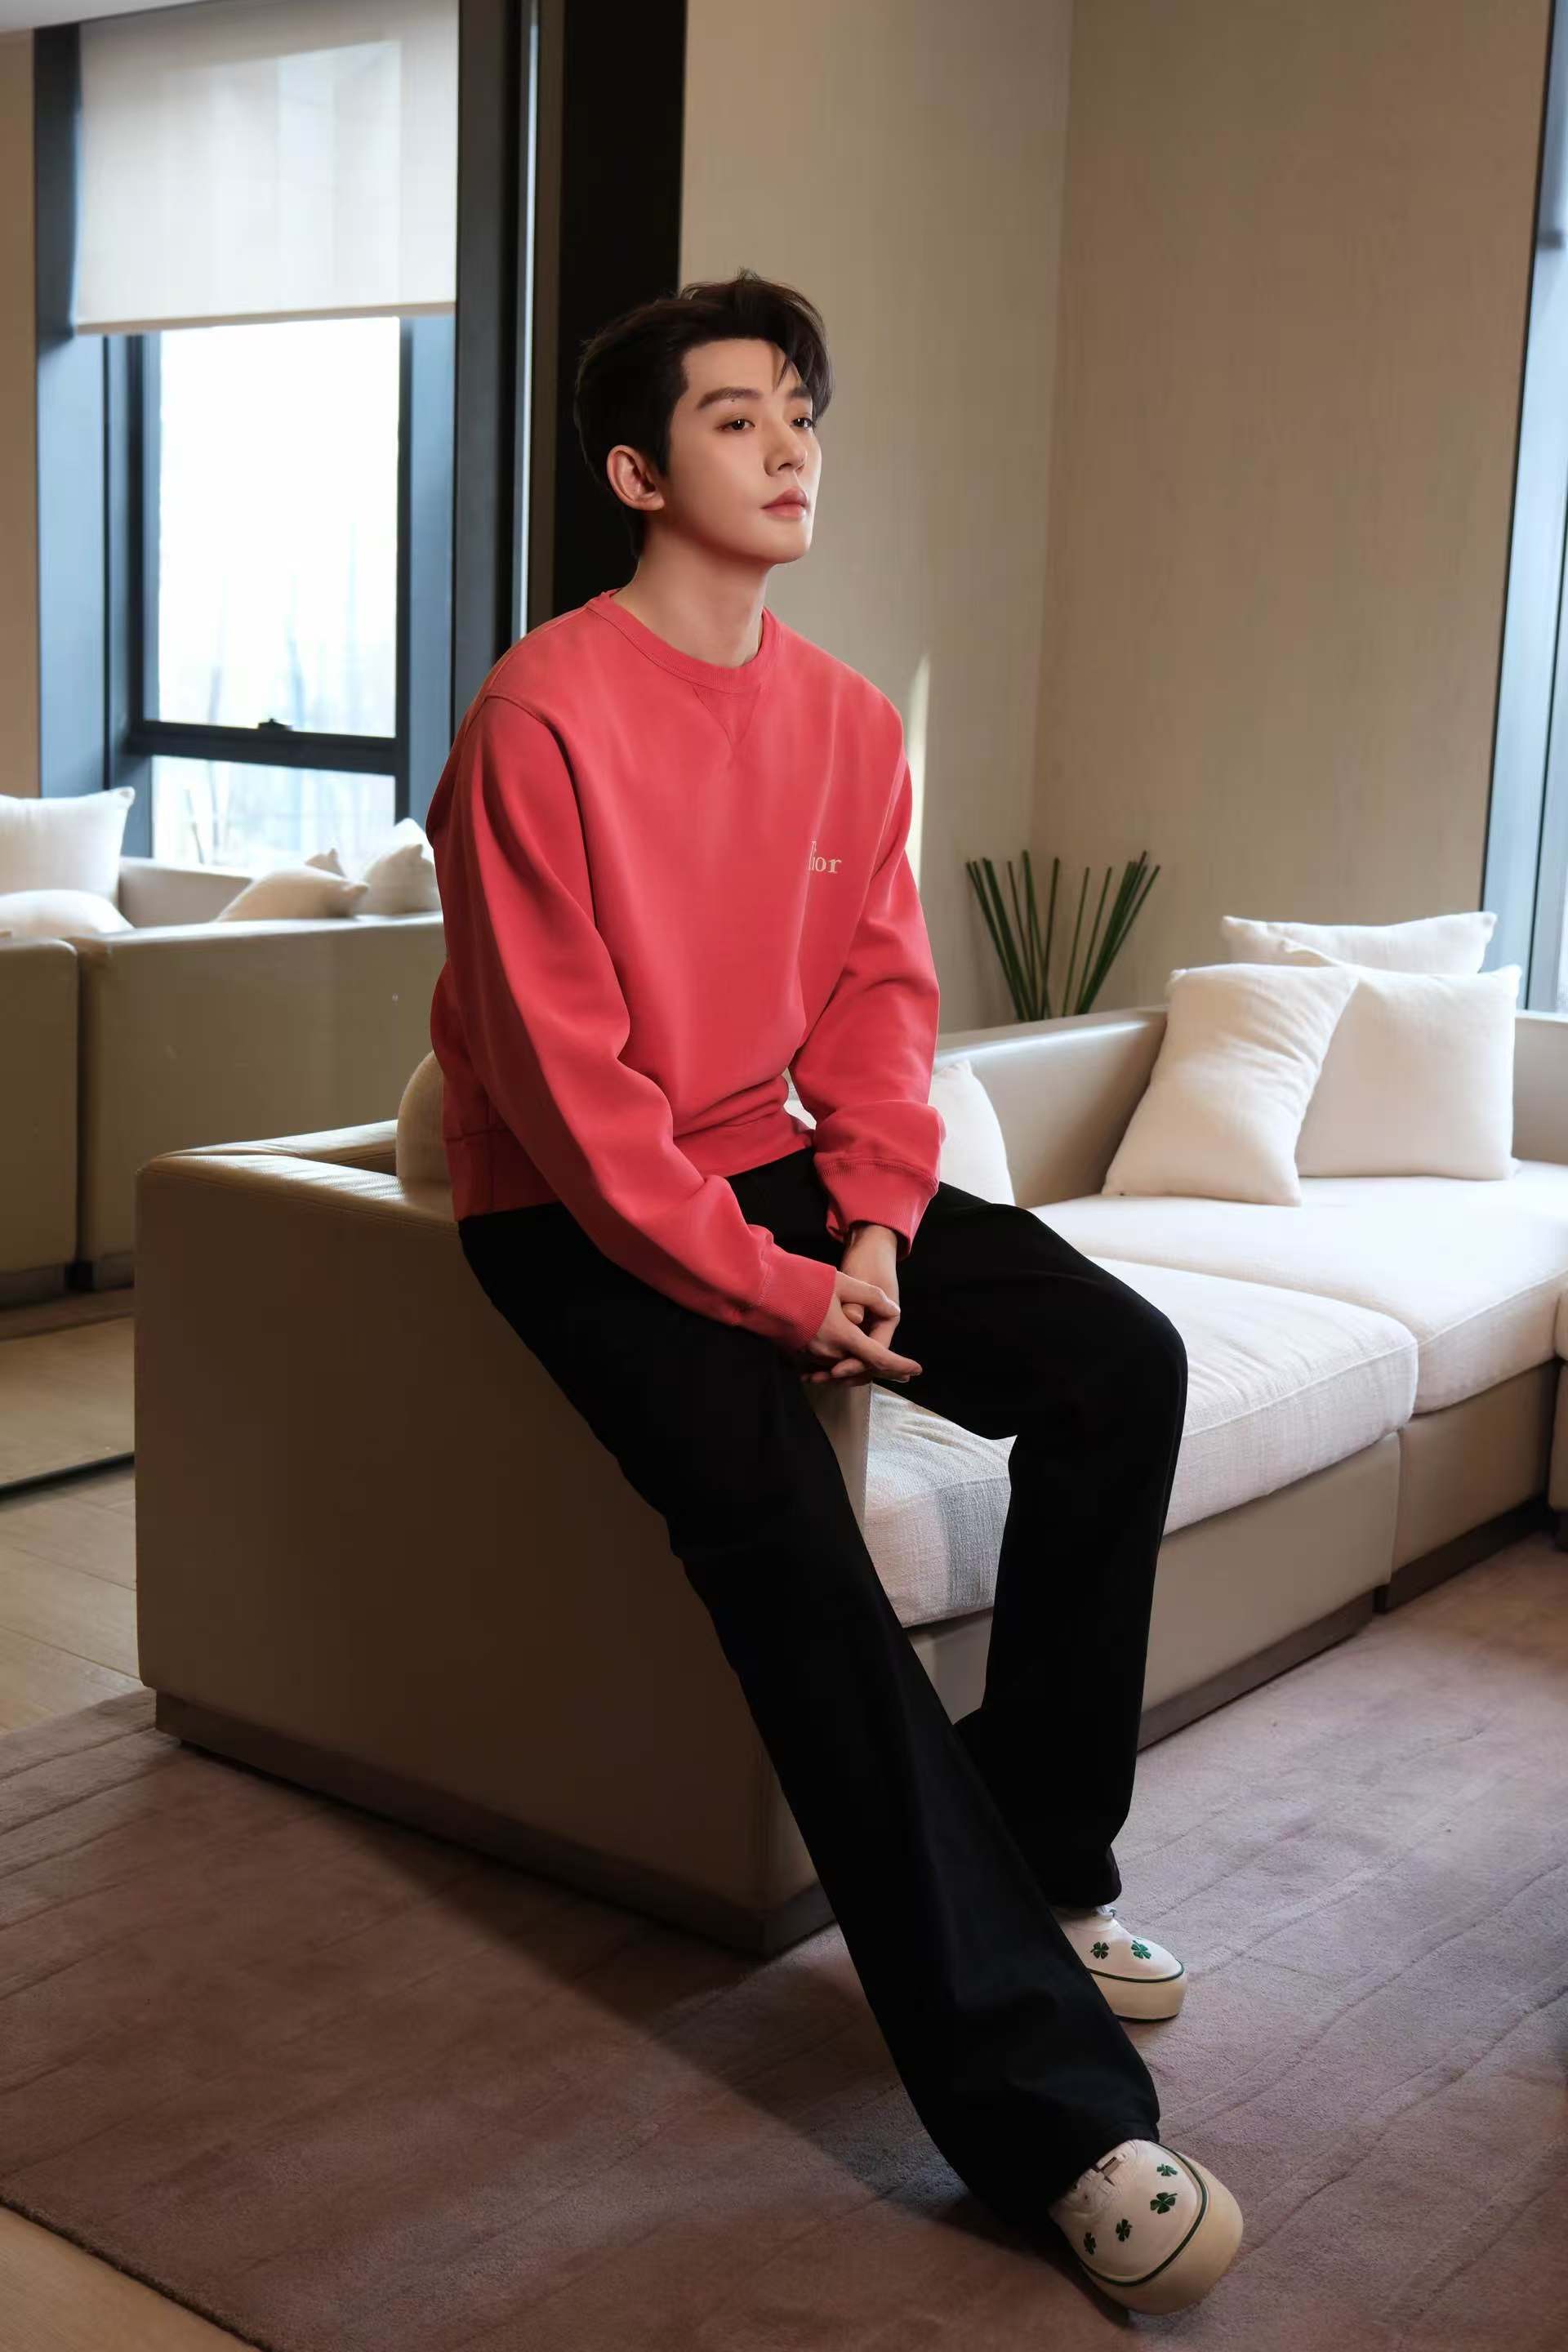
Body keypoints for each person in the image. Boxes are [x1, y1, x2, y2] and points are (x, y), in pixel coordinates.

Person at [423, 267, 1243, 2316]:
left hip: (780, 1166)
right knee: (788, 1529)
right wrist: (770, 1294)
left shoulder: (850, 720)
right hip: (574, 1209)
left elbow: (881, 1008)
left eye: (802, 409)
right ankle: (1050, 2120)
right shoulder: (538, 719)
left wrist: (869, 1226)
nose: (791, 444)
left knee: (1119, 1364)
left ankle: (1044, 1866)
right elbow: (570, 1096)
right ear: (638, 474)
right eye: (735, 416)